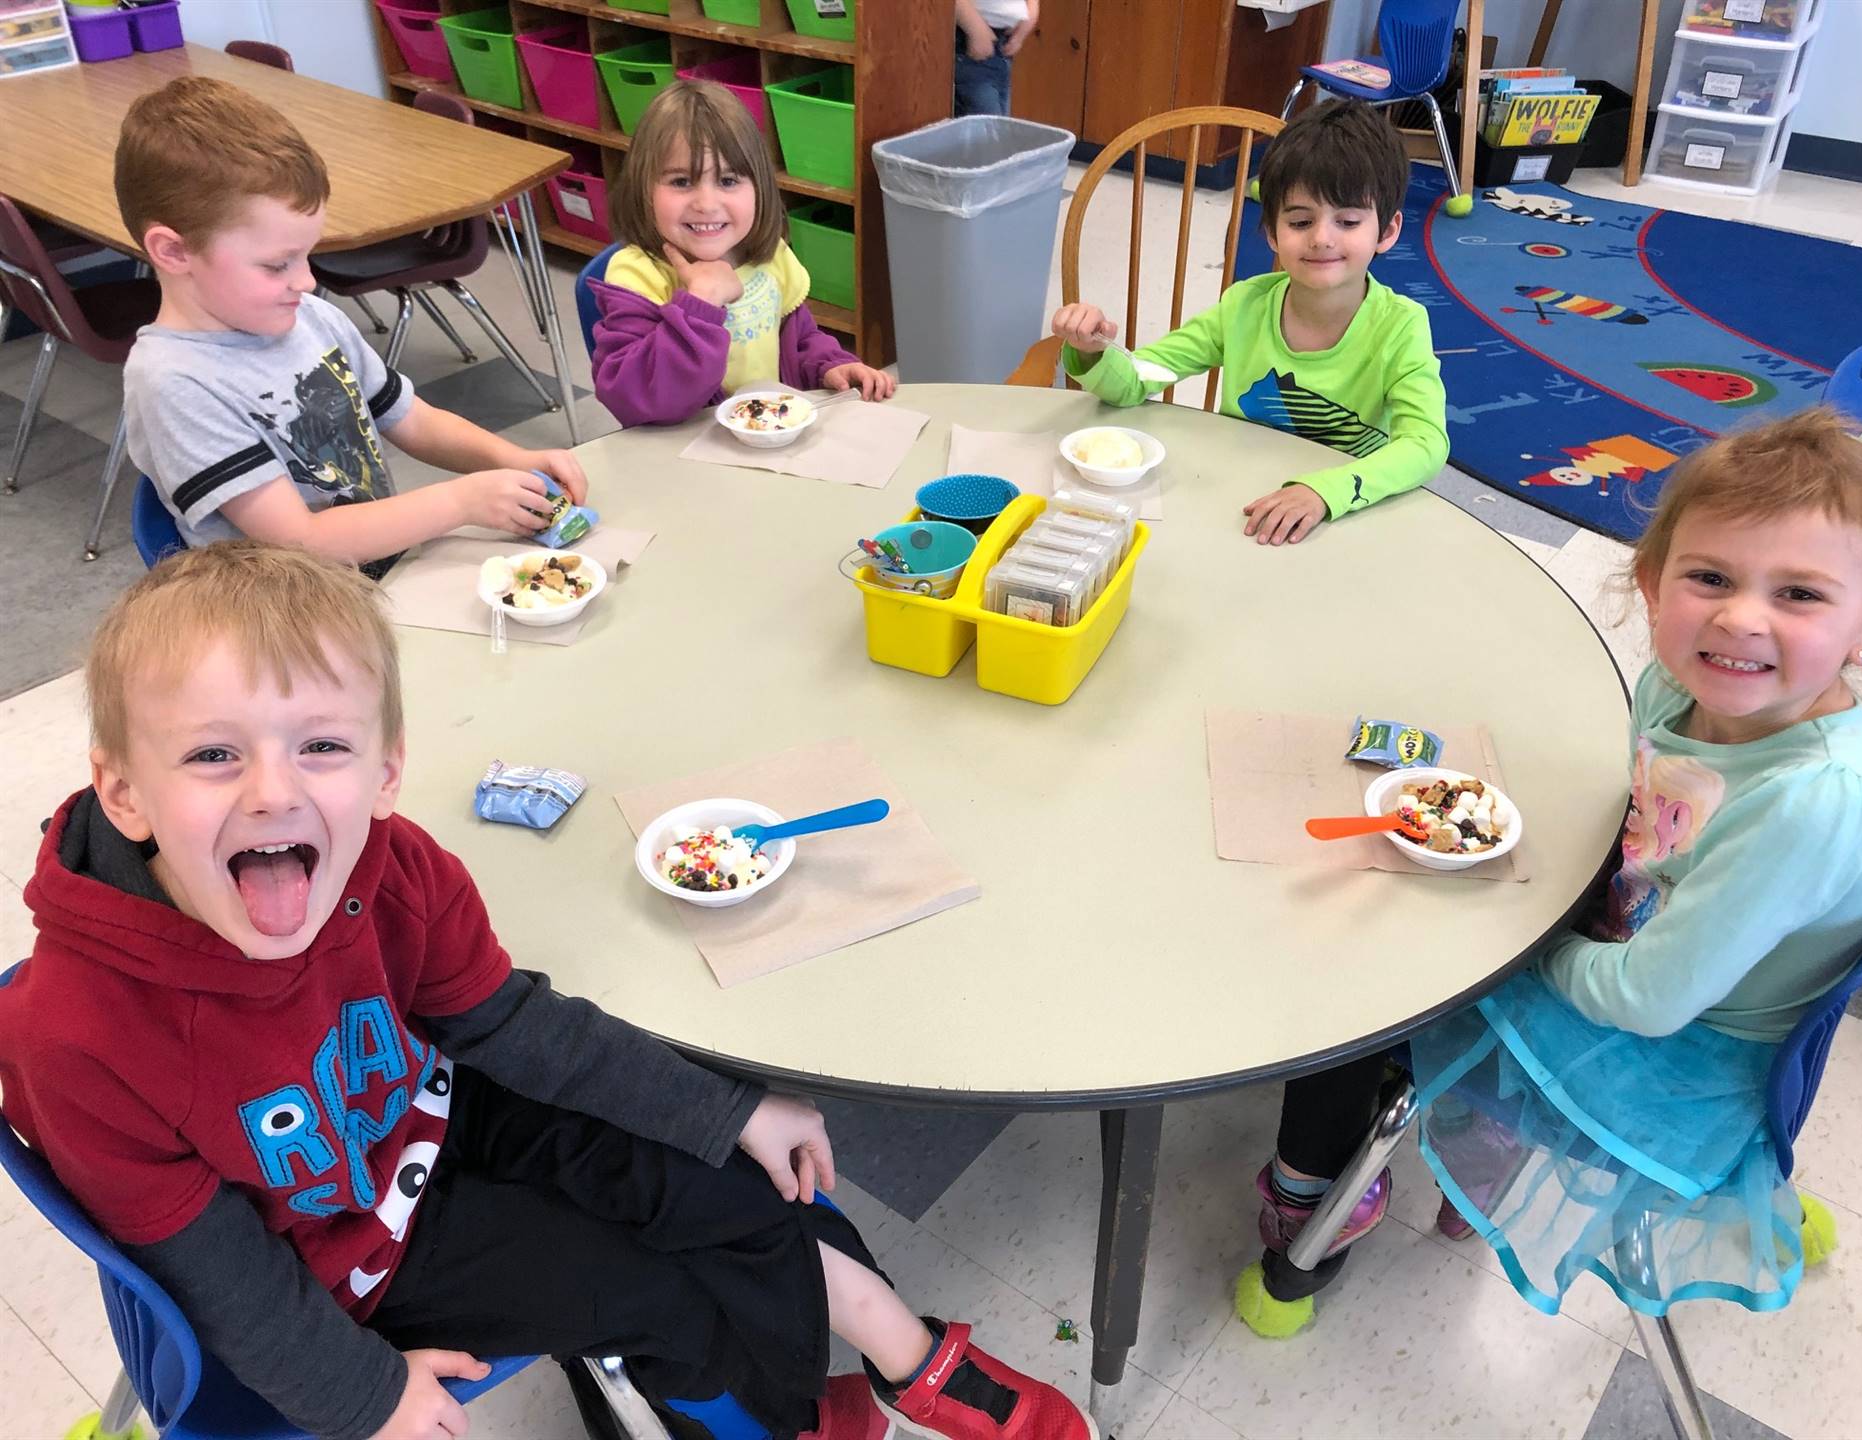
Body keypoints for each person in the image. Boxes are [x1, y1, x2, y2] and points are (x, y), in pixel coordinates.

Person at [0, 542, 1095, 1440]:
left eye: (322, 744)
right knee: (656, 1297)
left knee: (725, 1177)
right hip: (345, 1257)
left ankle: (885, 1363)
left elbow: (513, 1027)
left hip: (440, 1115)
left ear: (385, 772)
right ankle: (778, 1422)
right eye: (213, 757)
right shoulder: (71, 1033)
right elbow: (218, 1272)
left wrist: (733, 1110)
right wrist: (363, 1396)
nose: (274, 791)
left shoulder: (397, 864)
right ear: (124, 791)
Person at [1236, 408, 1862, 1337]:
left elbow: (1647, 1001)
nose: (1739, 617)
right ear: (1651, 580)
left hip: (1676, 1054)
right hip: (1656, 940)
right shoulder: (1690, 684)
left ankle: (1317, 1196)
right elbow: (1637, 810)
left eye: (1798, 595)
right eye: (1710, 576)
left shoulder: (1811, 802)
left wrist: (1519, 944)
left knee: (1366, 985)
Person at [114, 76, 585, 578]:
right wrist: (462, 502)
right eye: (277, 265)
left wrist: (511, 459)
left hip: (377, 573)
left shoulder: (309, 318)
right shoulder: (175, 384)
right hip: (294, 614)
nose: (306, 279)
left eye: (307, 255)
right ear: (173, 251)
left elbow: (413, 420)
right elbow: (302, 541)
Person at [1049, 99, 1447, 548]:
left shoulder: (1402, 327)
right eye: (1300, 220)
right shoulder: (1243, 307)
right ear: (1273, 233)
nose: (1321, 237)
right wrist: (1091, 349)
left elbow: (1426, 444)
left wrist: (1324, 491)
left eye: (1348, 220)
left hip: (1342, 520)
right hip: (1236, 508)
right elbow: (1136, 381)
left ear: (1388, 232)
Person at [589, 80, 894, 428]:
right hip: (685, 455)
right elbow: (637, 400)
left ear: (759, 187)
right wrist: (699, 305)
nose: (705, 204)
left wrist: (830, 365)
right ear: (644, 190)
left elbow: (799, 341)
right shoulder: (637, 279)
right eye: (680, 182)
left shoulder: (768, 259)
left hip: (766, 442)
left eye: (729, 180)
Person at [954, 0, 1039, 118]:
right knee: (986, 127)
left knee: (998, 122)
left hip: (1003, 41)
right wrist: (976, 30)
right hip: (970, 38)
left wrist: (1030, 16)